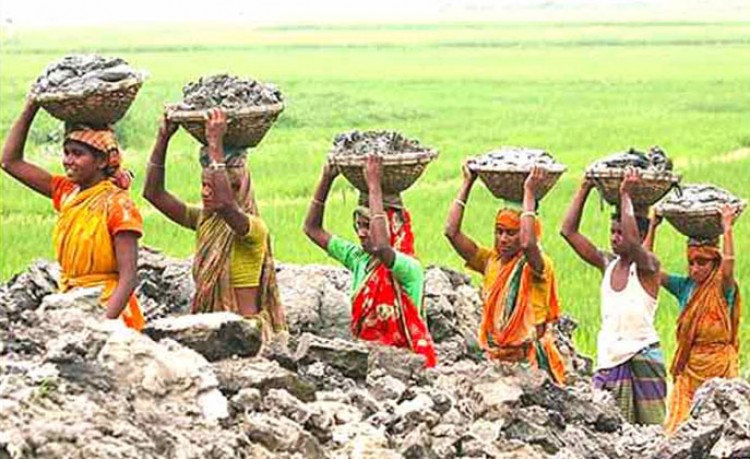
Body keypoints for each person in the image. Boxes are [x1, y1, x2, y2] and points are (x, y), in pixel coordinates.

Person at [1, 98, 144, 329]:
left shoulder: (118, 205)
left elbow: (128, 278)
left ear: (101, 161)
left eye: (77, 154)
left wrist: (103, 325)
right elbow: (10, 162)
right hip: (71, 304)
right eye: (66, 153)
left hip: (110, 309)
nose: (68, 161)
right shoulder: (67, 192)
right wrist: (31, 107)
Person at [143, 109, 285, 335]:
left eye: (215, 186)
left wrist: (215, 145)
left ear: (239, 190)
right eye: (203, 185)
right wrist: (163, 138)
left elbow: (226, 205)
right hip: (210, 330)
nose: (206, 193)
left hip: (245, 333)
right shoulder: (203, 221)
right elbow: (153, 193)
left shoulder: (253, 229)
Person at [303, 154, 436, 366]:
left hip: (406, 367)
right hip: (368, 365)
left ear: (392, 226)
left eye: (368, 225)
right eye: (359, 225)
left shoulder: (409, 268)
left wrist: (374, 186)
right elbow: (312, 229)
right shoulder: (359, 259)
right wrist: (326, 180)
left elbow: (383, 247)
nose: (361, 233)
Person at [560, 167, 667, 425]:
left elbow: (634, 245)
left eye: (621, 232)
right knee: (609, 432)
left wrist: (626, 196)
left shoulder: (648, 267)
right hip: (608, 360)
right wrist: (584, 189)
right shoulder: (607, 263)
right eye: (613, 232)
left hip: (642, 357)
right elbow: (568, 232)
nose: (615, 238)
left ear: (641, 235)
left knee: (649, 435)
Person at [444, 165, 565, 384]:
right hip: (496, 361)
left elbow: (528, 244)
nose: (503, 239)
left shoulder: (537, 266)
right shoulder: (491, 262)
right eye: (499, 231)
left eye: (511, 233)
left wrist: (529, 194)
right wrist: (467, 184)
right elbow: (451, 232)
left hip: (529, 365)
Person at [646, 205, 741, 433]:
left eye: (702, 263)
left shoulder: (722, 287)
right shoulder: (684, 287)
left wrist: (727, 228)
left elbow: (729, 265)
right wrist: (652, 227)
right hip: (690, 368)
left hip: (720, 368)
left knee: (722, 430)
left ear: (714, 263)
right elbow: (648, 267)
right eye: (691, 263)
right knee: (682, 429)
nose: (695, 269)